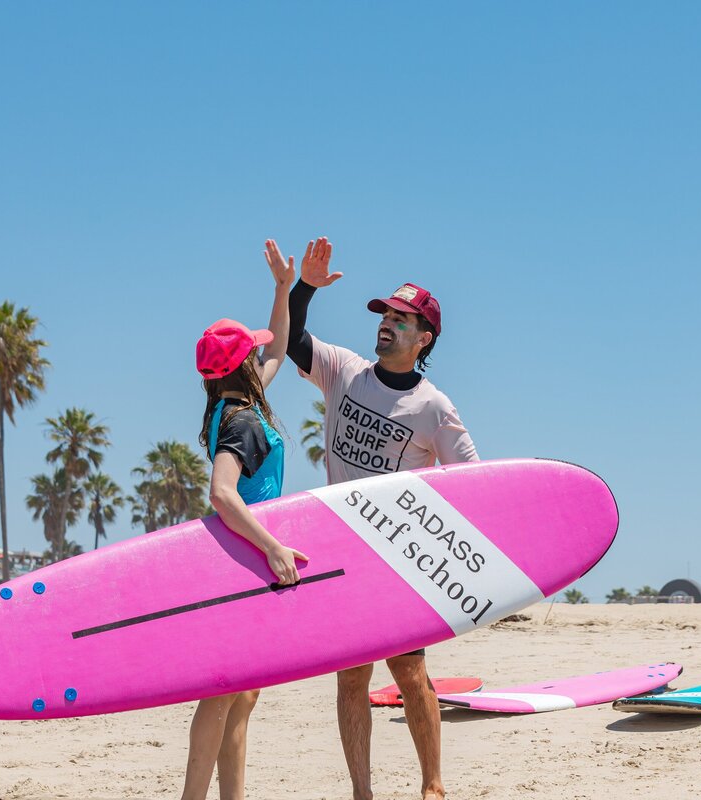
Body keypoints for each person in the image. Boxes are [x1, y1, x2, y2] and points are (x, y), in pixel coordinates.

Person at [285, 236, 478, 800]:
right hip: (342, 552)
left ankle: (433, 785)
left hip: (397, 559)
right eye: (386, 315)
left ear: (424, 338)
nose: (388, 324)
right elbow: (295, 339)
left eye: (402, 319)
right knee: (351, 677)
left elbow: (470, 484)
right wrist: (306, 288)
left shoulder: (433, 406)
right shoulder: (345, 372)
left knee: (410, 673)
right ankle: (361, 792)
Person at [181, 240, 309, 800]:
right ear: (239, 368)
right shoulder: (242, 422)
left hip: (243, 567)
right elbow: (222, 495)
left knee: (243, 696)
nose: (264, 359)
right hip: (246, 564)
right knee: (222, 692)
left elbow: (278, 345)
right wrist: (274, 547)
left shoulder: (227, 404)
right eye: (252, 355)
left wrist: (282, 288)